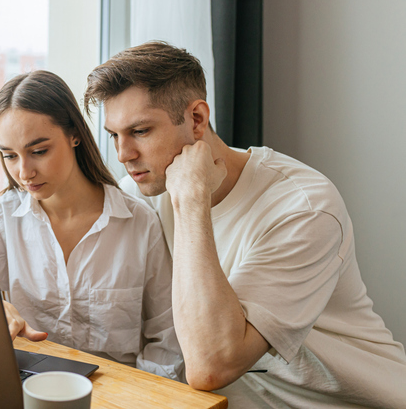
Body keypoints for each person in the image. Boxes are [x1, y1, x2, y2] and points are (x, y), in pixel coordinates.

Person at [83, 40, 406, 408]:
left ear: (197, 119)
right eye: (114, 135)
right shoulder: (142, 191)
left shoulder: (304, 207)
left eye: (140, 131)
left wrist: (191, 201)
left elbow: (210, 365)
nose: (123, 154)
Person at [0, 70, 184, 380]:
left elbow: (166, 339)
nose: (24, 172)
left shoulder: (139, 223)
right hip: (29, 390)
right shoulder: (1, 219)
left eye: (39, 151)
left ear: (74, 135)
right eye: (9, 156)